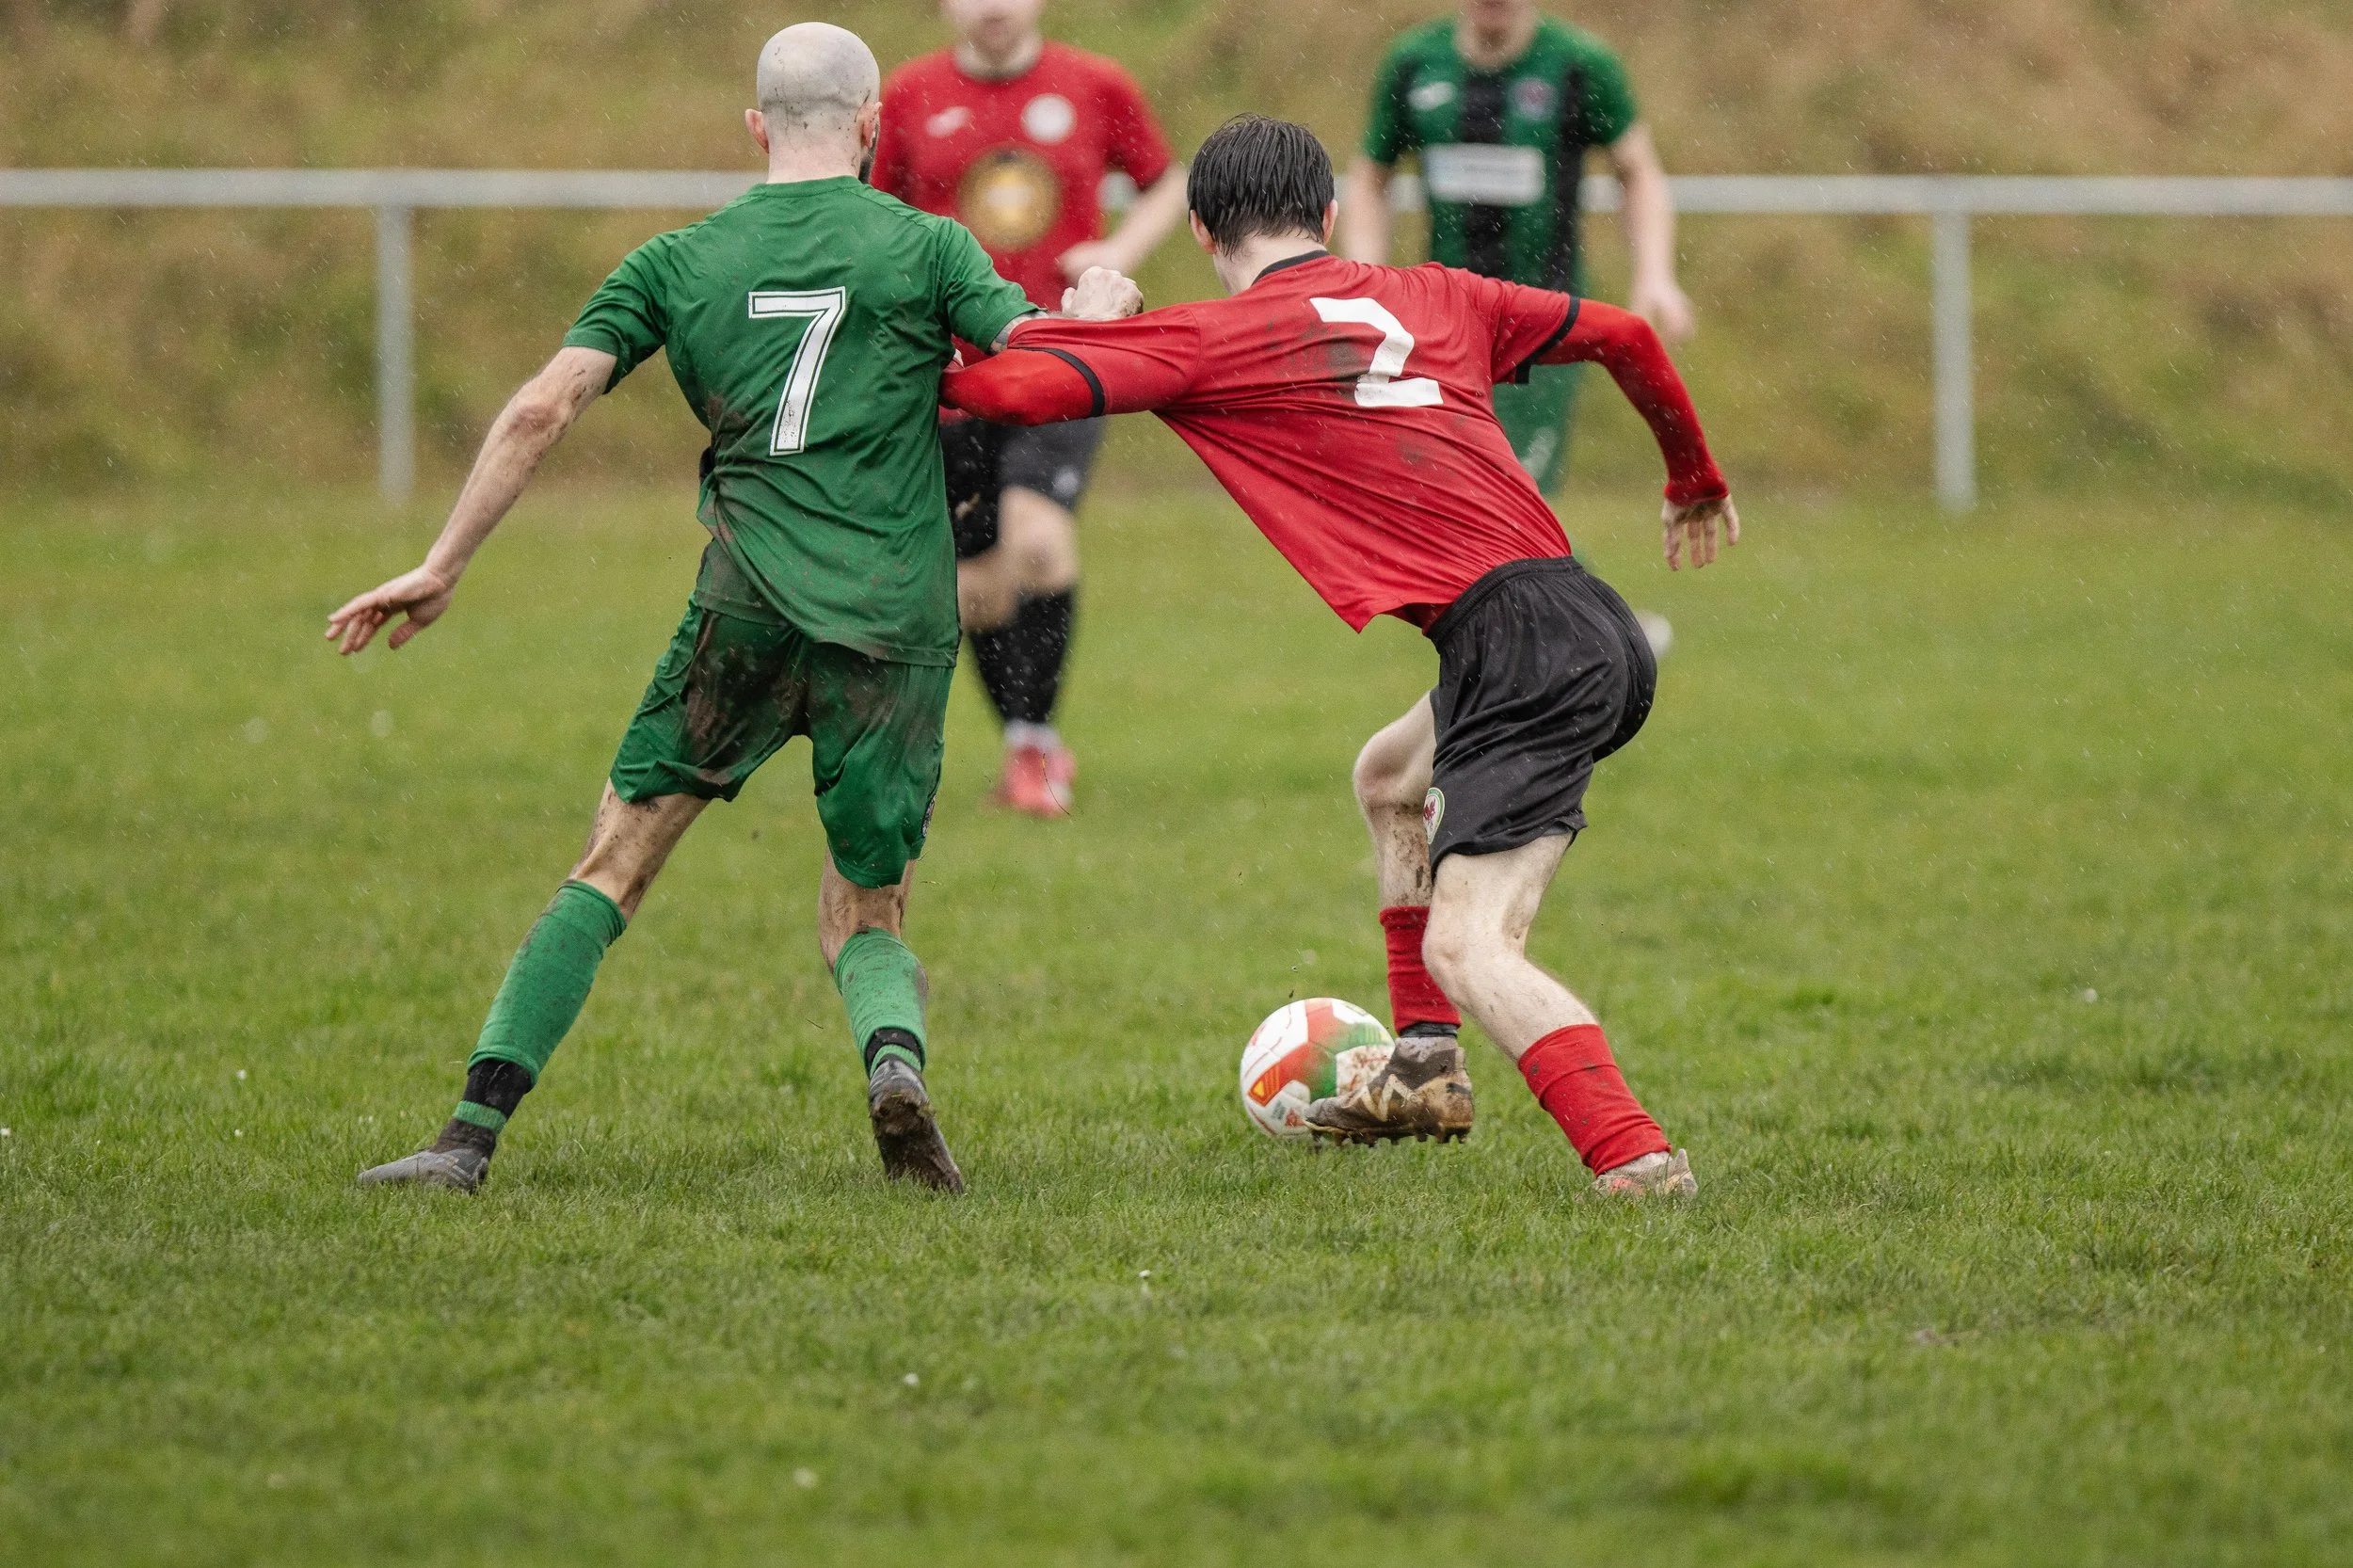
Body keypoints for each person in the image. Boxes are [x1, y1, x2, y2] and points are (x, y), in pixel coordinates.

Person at [329, 24, 1139, 1197]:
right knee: (866, 907)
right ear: (871, 127)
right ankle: (892, 1068)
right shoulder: (926, 244)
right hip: (894, 623)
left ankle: (466, 1136)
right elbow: (1047, 372)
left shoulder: (675, 262)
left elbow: (541, 410)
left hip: (745, 605)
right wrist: (1099, 303)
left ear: (756, 128)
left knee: (615, 862)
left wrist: (443, 561)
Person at [942, 116, 1737, 1197]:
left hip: (1520, 647)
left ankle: (1633, 1155)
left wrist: (1068, 320)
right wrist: (1692, 477)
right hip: (1572, 615)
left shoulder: (1214, 338)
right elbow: (1628, 338)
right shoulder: (1440, 293)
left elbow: (1003, 393)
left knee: (1473, 948)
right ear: (1324, 214)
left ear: (1199, 229)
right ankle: (1421, 1066)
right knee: (1386, 779)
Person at [872, 0, 1187, 815]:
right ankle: (1026, 745)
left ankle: (1035, 750)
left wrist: (1116, 252)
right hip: (949, 378)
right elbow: (871, 218)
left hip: (1062, 357)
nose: (995, 6)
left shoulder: (1094, 83)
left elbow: (1166, 181)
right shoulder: (908, 95)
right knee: (976, 588)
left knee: (1038, 542)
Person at [1341, 0, 1694, 492]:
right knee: (1452, 494)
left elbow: (1636, 171)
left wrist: (1655, 274)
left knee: (1514, 490)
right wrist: (1363, 280)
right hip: (1441, 324)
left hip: (1543, 322)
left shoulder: (1580, 64)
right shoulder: (1413, 62)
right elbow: (1369, 179)